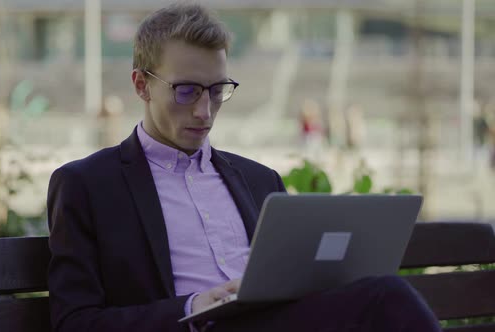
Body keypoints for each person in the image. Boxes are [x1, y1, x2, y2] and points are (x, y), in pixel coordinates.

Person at [47, 3, 441, 332]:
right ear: (141, 85)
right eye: (186, 91)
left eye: (217, 91)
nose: (204, 111)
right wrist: (192, 307)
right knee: (386, 297)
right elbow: (74, 323)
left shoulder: (259, 180)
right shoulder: (87, 184)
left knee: (380, 294)